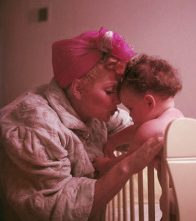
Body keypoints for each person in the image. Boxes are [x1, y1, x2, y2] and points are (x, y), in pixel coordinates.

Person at [0, 28, 163, 221]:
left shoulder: (97, 111)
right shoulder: (35, 124)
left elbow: (142, 127)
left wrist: (169, 119)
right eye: (111, 91)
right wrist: (126, 166)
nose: (119, 100)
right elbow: (54, 207)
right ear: (78, 88)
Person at [94, 54, 183, 219]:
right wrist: (113, 141)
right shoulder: (176, 117)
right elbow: (136, 129)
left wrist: (105, 166)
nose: (130, 114)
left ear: (149, 102)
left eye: (130, 108)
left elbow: (128, 161)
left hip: (176, 198)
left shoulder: (149, 130)